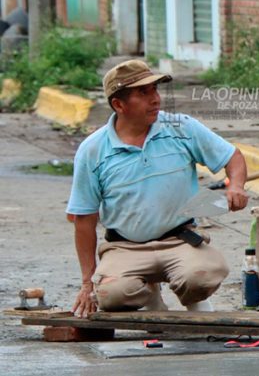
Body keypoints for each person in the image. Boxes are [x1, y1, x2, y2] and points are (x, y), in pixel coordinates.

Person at [67, 60, 249, 317]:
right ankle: (150, 296)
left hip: (178, 239)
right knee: (111, 295)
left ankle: (197, 306)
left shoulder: (181, 128)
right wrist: (87, 283)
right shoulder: (93, 150)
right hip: (125, 247)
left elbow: (233, 157)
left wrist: (237, 186)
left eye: (155, 90)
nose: (156, 99)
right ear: (119, 105)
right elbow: (84, 220)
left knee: (203, 275)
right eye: (143, 93)